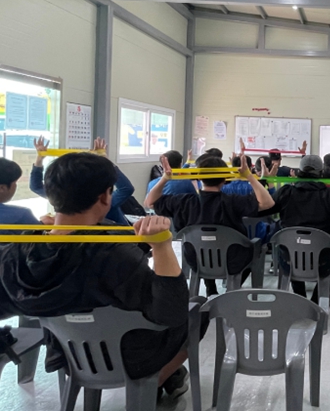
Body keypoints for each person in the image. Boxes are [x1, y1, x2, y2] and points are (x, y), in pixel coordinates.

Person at [0, 153, 193, 399]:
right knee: (196, 313)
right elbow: (172, 312)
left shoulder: (15, 253)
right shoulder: (114, 257)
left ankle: (168, 378)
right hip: (129, 357)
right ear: (104, 197)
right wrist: (162, 246)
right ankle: (161, 379)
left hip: (67, 354)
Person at [145, 153, 275, 297]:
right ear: (224, 179)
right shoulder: (232, 201)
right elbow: (268, 203)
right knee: (253, 249)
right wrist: (249, 176)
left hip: (196, 260)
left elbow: (149, 202)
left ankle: (211, 289)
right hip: (232, 261)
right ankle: (230, 290)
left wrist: (165, 178)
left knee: (205, 244)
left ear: (199, 177)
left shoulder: (184, 202)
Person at [258, 155, 330, 301]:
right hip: (323, 263)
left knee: (293, 248)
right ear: (321, 173)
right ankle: (316, 299)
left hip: (289, 261)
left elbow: (259, 209)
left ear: (299, 172)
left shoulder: (286, 193)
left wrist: (263, 180)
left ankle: (300, 297)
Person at [30, 137, 135, 225]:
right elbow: (126, 188)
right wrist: (104, 161)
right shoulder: (98, 199)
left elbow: (36, 187)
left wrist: (39, 160)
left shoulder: (63, 195)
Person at [0, 158, 40, 233]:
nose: (16, 186)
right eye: (15, 183)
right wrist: (42, 224)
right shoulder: (21, 216)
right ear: (2, 188)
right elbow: (41, 236)